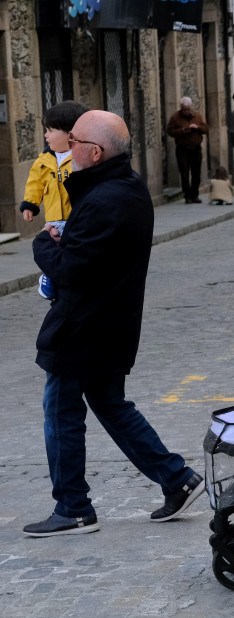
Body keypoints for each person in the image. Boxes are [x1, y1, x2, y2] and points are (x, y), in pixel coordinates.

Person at [26, 110, 204, 537]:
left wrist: (43, 245)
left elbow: (73, 269)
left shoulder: (108, 198)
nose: (67, 149)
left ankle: (73, 507)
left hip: (83, 326)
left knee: (61, 411)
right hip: (106, 322)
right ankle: (176, 478)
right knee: (109, 403)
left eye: (73, 142)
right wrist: (67, 239)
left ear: (94, 151)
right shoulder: (120, 188)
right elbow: (92, 255)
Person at [20, 100, 88, 301]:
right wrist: (30, 204)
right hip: (54, 217)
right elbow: (35, 184)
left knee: (73, 252)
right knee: (53, 248)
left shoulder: (79, 158)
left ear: (69, 134)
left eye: (50, 130)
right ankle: (49, 278)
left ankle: (68, 280)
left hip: (76, 216)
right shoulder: (43, 160)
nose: (45, 135)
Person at [166, 96, 209, 205]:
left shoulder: (197, 116)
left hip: (196, 148)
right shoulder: (175, 117)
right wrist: (182, 131)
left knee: (196, 172)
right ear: (181, 108)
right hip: (182, 149)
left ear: (190, 108)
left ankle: (195, 195)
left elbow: (206, 129)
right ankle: (187, 196)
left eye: (187, 109)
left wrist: (197, 128)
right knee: (184, 173)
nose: (186, 111)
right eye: (184, 109)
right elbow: (170, 131)